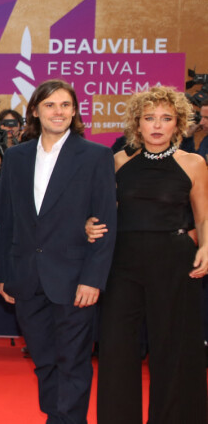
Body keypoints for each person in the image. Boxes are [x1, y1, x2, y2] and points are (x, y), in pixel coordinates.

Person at [0, 78, 117, 424]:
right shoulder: (16, 158)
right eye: (50, 105)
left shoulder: (96, 156)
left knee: (73, 360)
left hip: (75, 279)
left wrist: (93, 278)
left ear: (75, 111)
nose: (58, 112)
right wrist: (4, 274)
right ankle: (55, 416)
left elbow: (106, 222)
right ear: (35, 111)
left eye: (65, 105)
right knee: (45, 360)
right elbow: (8, 221)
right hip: (27, 278)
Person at [86, 86, 208, 424]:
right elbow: (101, 211)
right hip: (122, 263)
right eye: (149, 118)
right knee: (117, 347)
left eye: (166, 118)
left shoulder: (194, 163)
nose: (157, 125)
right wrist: (89, 225)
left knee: (175, 347)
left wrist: (207, 247)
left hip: (175, 260)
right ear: (136, 124)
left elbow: (203, 216)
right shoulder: (118, 161)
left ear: (178, 124)